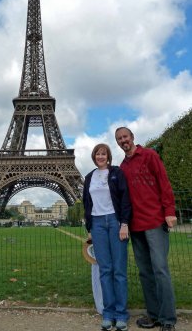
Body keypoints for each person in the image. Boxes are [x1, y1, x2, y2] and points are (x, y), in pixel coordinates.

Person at [115, 127, 177, 331]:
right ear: (118, 143)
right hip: (136, 225)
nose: (123, 140)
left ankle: (168, 319)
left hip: (155, 221)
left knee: (160, 270)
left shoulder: (150, 155)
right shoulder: (122, 167)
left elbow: (164, 182)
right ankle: (154, 315)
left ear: (132, 137)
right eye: (119, 139)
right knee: (145, 273)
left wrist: (169, 211)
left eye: (125, 137)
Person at [83, 143, 132, 331]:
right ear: (94, 156)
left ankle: (121, 314)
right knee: (105, 270)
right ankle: (108, 312)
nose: (100, 156)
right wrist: (90, 227)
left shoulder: (117, 173)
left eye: (103, 153)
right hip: (97, 224)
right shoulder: (89, 177)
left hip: (115, 222)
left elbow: (125, 198)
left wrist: (124, 223)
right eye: (97, 153)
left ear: (108, 156)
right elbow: (87, 203)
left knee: (119, 271)